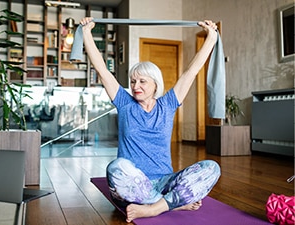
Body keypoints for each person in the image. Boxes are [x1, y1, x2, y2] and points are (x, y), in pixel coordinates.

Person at [80, 17, 221, 223]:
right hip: (134, 188)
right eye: (133, 81)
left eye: (142, 81)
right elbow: (102, 70)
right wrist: (86, 34)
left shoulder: (168, 104)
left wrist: (211, 37)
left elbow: (191, 71)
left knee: (212, 168)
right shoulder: (125, 103)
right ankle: (173, 203)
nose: (136, 86)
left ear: (155, 84)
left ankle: (155, 208)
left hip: (165, 181)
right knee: (116, 168)